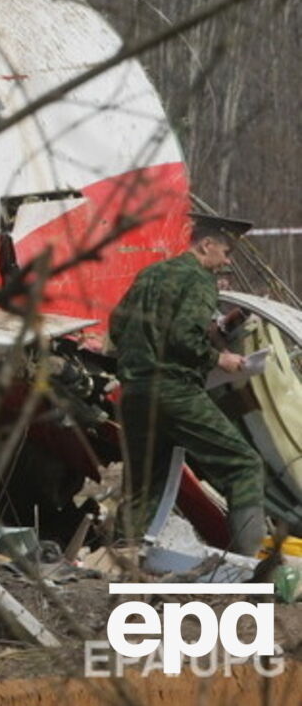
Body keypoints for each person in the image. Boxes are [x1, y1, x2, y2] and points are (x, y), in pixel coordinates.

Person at [109, 213, 265, 555]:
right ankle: (250, 567)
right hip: (174, 390)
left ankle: (123, 559)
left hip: (134, 392)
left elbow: (117, 327)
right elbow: (183, 336)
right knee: (243, 465)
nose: (227, 261)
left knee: (144, 483)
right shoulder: (198, 279)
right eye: (225, 252)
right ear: (205, 244)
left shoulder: (150, 273)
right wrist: (220, 359)